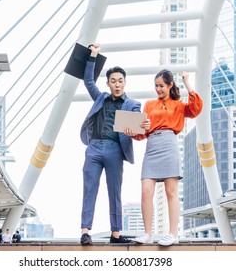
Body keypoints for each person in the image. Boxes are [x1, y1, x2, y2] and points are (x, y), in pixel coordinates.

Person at [79, 42, 147, 245]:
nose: (117, 84)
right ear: (108, 83)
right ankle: (85, 231)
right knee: (89, 188)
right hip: (94, 147)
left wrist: (139, 126)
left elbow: (138, 124)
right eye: (113, 81)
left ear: (125, 83)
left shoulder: (132, 104)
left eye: (120, 81)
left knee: (115, 190)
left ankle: (115, 234)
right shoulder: (100, 98)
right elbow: (87, 80)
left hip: (115, 150)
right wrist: (93, 55)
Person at [126, 69, 202, 246]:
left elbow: (196, 108)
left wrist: (187, 83)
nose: (158, 89)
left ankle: (173, 233)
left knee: (171, 191)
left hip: (169, 144)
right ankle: (148, 233)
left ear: (170, 85)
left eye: (161, 86)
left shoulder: (178, 105)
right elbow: (141, 134)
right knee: (145, 190)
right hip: (152, 145)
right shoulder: (149, 105)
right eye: (156, 86)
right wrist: (134, 130)